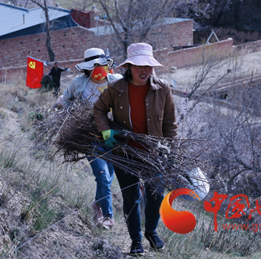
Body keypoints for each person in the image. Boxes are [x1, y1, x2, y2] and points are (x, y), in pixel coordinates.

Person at [94, 43, 177, 256]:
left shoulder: (163, 89)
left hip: (153, 154)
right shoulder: (116, 89)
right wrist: (106, 131)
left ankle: (151, 231)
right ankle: (136, 241)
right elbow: (99, 110)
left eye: (148, 66)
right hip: (125, 152)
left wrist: (170, 152)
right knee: (131, 197)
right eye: (139, 65)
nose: (144, 70)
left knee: (156, 194)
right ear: (129, 66)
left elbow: (170, 124)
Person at [58, 48, 121, 230]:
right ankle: (107, 216)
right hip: (90, 137)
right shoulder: (80, 83)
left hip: (113, 137)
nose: (99, 70)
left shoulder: (115, 81)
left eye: (102, 66)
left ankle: (97, 203)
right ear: (88, 69)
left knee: (108, 176)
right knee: (102, 175)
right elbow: (67, 98)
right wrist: (72, 115)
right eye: (95, 67)